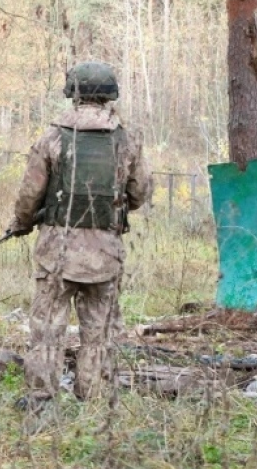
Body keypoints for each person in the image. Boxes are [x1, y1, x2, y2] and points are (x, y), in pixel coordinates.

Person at [8, 61, 151, 410]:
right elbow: (139, 193)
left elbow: (30, 195)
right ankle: (94, 398)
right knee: (99, 331)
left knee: (48, 328)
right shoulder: (127, 140)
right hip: (105, 251)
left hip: (57, 251)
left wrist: (23, 222)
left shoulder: (52, 138)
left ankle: (42, 398)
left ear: (73, 93)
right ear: (109, 96)